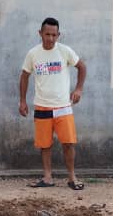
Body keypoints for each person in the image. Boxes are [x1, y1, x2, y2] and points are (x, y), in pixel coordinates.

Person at [19, 17, 87, 190]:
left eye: (54, 35)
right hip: (42, 106)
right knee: (44, 144)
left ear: (58, 35)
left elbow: (82, 67)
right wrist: (22, 101)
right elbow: (24, 76)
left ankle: (72, 178)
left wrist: (78, 89)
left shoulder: (65, 51)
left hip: (63, 107)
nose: (50, 38)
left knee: (68, 143)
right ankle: (47, 177)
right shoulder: (33, 54)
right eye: (47, 34)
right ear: (40, 33)